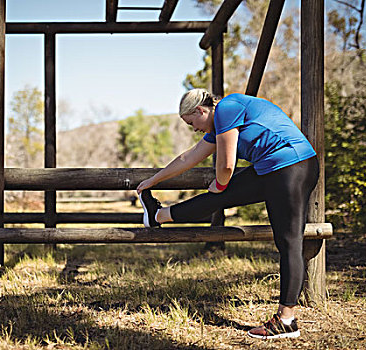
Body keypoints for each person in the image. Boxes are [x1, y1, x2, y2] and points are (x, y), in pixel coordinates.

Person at [136, 89, 319, 339]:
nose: (194, 129)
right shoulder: (218, 124)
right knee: (218, 197)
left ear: (201, 110)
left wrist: (221, 183)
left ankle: (286, 321)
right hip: (270, 169)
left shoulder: (227, 108)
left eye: (191, 123)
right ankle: (157, 215)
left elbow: (226, 166)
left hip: (292, 166)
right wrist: (152, 181)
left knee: (288, 241)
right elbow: (188, 157)